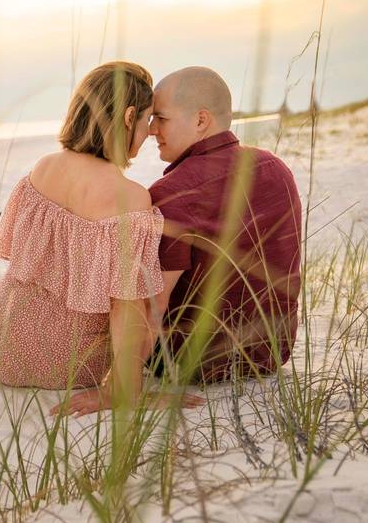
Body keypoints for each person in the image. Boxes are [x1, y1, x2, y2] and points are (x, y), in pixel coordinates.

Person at [0, 61, 201, 408]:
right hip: (72, 363)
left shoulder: (43, 169)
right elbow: (127, 307)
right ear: (127, 117)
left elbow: (23, 270)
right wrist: (124, 389)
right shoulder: (131, 197)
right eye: (148, 118)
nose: (152, 130)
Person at [55, 66, 302, 417]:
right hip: (272, 352)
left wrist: (117, 387)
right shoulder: (275, 167)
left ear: (201, 120)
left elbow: (153, 306)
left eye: (161, 118)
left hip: (194, 361)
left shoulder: (173, 193)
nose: (152, 129)